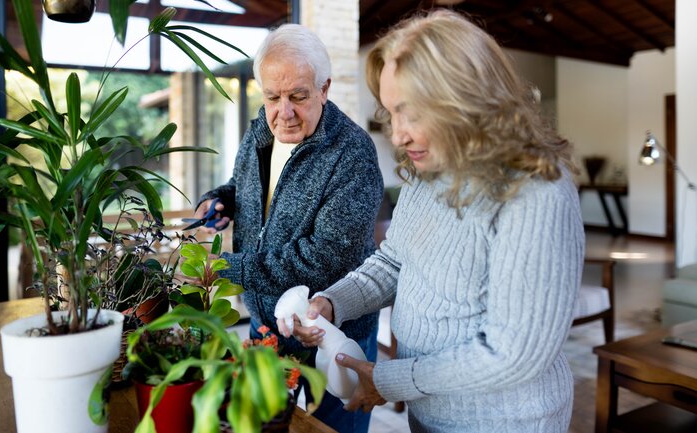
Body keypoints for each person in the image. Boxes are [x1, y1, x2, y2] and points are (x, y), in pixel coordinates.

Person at [282, 10, 584, 433]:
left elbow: (513, 352)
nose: (398, 135)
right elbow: (392, 263)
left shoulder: (537, 190)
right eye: (392, 114)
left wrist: (390, 380)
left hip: (507, 421)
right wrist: (333, 302)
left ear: (465, 98)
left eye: (411, 113)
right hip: (431, 413)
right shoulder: (430, 174)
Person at [191, 24, 384, 433]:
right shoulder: (262, 129)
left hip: (332, 336)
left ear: (324, 88)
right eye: (273, 97)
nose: (284, 112)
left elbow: (325, 258)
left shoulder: (354, 154)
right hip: (267, 323)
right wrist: (219, 198)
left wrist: (229, 268)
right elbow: (242, 185)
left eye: (298, 96)